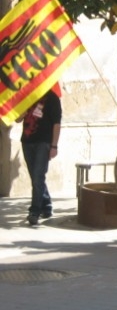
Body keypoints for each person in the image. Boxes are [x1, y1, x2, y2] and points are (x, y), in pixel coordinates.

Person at [18, 89, 61, 226]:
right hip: (27, 141)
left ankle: (34, 211)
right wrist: (23, 110)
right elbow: (17, 118)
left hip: (44, 142)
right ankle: (47, 205)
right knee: (36, 177)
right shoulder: (26, 95)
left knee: (37, 176)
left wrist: (54, 146)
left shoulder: (53, 98)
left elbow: (57, 124)